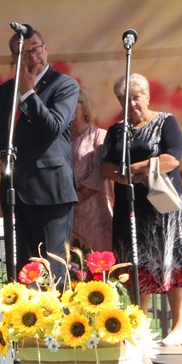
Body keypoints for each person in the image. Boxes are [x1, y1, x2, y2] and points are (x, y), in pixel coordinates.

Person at [100, 73, 182, 345]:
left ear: (147, 96)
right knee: (135, 265)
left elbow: (172, 158)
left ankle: (179, 327)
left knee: (170, 261)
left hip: (163, 210)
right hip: (129, 208)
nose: (131, 104)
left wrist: (135, 168)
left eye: (135, 97)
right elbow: (105, 165)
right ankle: (140, 325)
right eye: (123, 99)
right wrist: (122, 176)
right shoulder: (116, 131)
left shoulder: (165, 122)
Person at [0, 28, 79, 282]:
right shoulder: (6, 90)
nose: (31, 56)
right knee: (20, 272)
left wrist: (27, 92)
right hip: (14, 192)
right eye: (23, 53)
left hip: (50, 191)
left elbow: (52, 127)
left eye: (35, 49)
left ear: (46, 49)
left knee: (52, 270)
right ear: (13, 59)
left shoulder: (64, 84)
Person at [70, 87, 113, 253]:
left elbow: (100, 171)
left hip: (95, 210)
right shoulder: (59, 140)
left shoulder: (99, 135)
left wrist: (79, 195)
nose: (69, 106)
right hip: (68, 210)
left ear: (85, 108)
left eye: (75, 102)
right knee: (72, 262)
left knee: (97, 260)